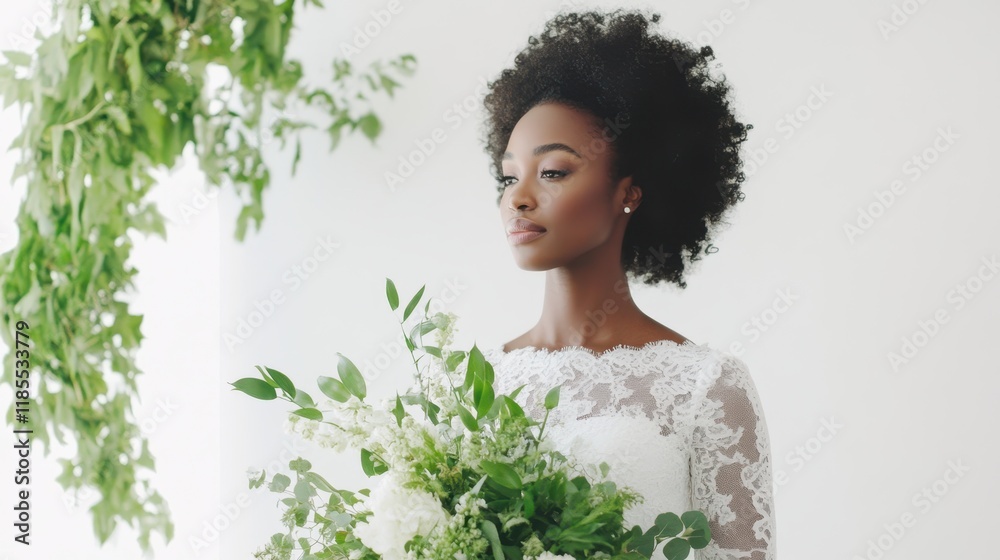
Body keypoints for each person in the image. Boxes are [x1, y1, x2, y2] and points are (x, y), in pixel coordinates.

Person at [479, 9, 776, 559]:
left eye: (552, 172)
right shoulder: (472, 386)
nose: (518, 197)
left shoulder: (707, 387)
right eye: (508, 176)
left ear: (629, 192)